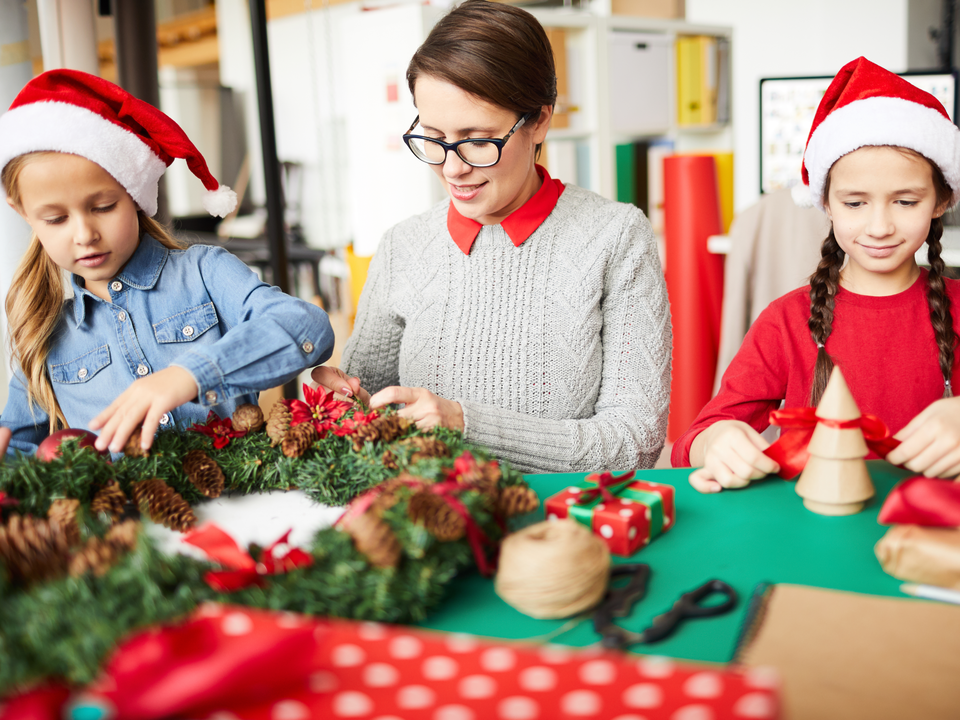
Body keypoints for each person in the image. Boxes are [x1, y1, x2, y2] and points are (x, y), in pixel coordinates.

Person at [313, 0, 671, 474]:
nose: (453, 167)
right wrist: (344, 400)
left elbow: (635, 441)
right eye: (433, 138)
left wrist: (466, 424)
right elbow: (370, 406)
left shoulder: (616, 238)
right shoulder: (404, 245)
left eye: (477, 139)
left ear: (540, 120)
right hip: (425, 526)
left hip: (559, 533)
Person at [0, 70, 335, 457]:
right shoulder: (43, 333)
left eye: (104, 207)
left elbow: (308, 327)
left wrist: (190, 374)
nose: (84, 234)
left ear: (136, 196)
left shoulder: (205, 273)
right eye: (56, 219)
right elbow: (18, 451)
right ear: (24, 213)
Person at [673, 57, 960, 492]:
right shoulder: (786, 321)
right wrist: (716, 441)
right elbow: (693, 440)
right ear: (825, 202)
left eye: (905, 202)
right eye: (854, 203)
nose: (879, 226)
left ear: (941, 201)